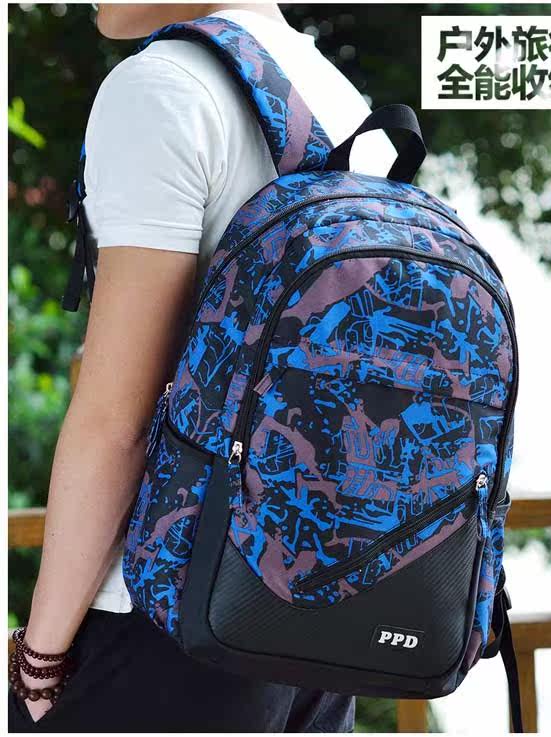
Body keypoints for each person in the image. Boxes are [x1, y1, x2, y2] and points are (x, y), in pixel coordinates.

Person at [9, 3, 395, 732]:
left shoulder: (162, 87)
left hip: (163, 618)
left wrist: (40, 656)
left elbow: (116, 425)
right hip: (313, 615)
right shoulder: (339, 95)